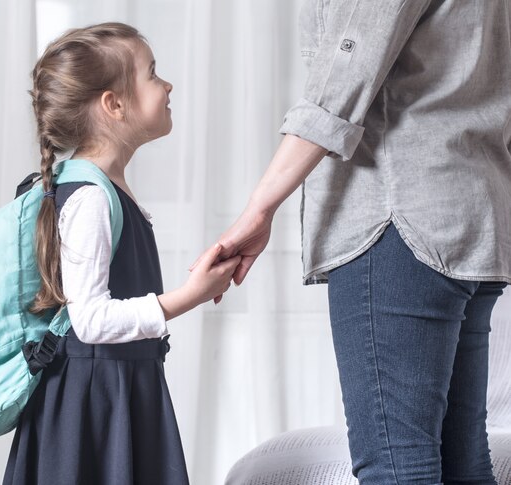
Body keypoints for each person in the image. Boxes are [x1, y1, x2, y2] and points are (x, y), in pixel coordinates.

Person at [196, 1, 511, 483]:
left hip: (398, 221)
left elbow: (345, 75)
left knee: (395, 467)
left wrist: (259, 208)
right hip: (472, 210)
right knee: (461, 464)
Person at [3, 23, 240, 485]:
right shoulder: (91, 197)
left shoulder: (104, 189)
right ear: (113, 104)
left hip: (114, 397)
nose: (167, 85)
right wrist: (190, 295)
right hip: (91, 411)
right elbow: (90, 320)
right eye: (153, 74)